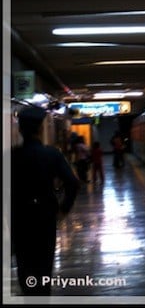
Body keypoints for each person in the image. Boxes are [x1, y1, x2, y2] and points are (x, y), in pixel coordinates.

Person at [11, 106, 80, 296]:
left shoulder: (11, 156)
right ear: (41, 129)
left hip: (19, 217)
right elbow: (73, 184)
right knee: (43, 264)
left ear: (20, 130)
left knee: (25, 264)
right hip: (45, 216)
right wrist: (64, 209)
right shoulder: (52, 154)